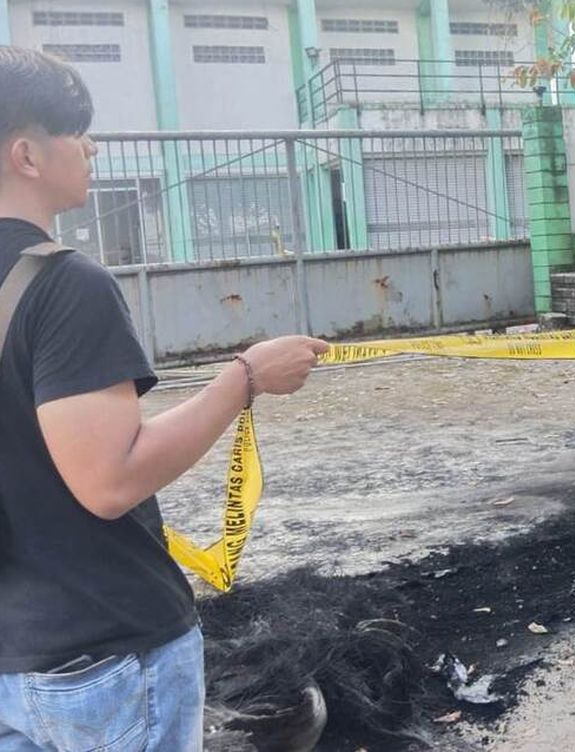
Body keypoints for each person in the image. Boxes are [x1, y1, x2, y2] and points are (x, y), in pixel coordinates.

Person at [0, 46, 329, 748]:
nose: (91, 146)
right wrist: (243, 379)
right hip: (106, 655)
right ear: (27, 156)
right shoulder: (62, 285)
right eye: (75, 130)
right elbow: (109, 480)